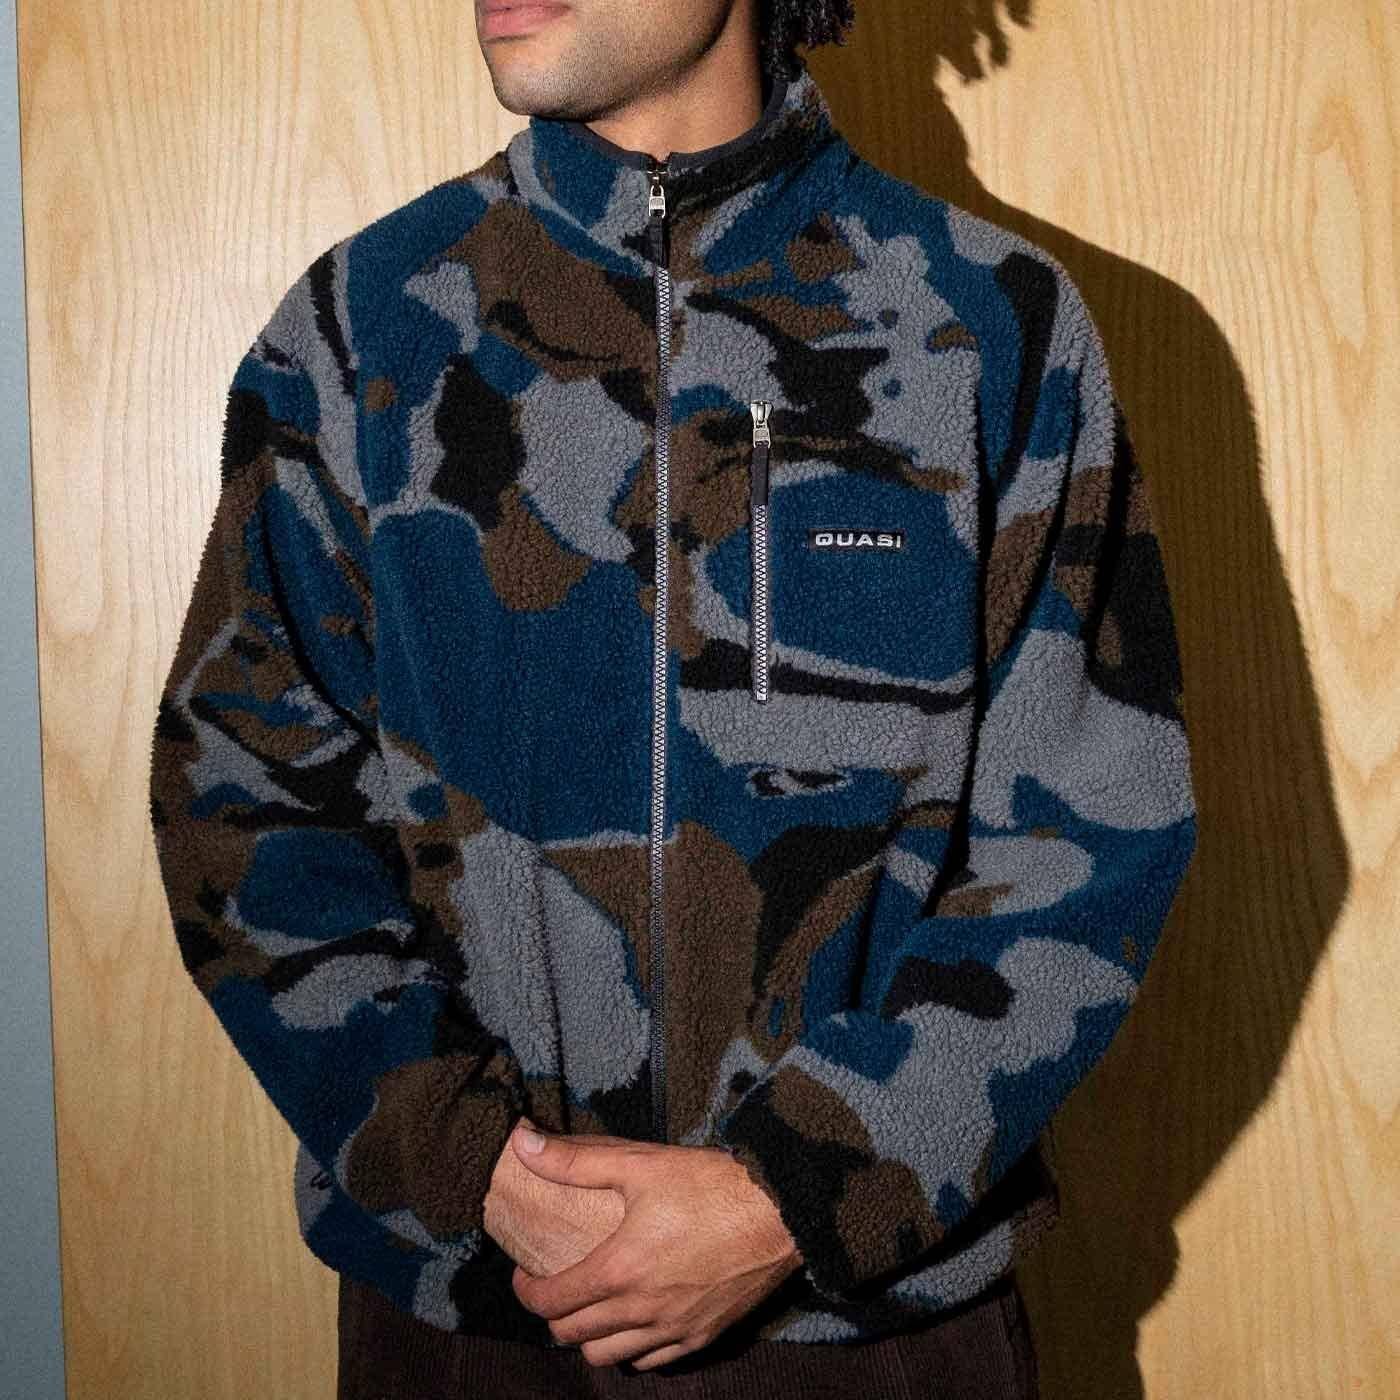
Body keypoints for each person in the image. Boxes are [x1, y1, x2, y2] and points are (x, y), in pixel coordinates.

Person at [147, 0, 1198, 1394]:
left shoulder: (993, 326)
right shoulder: (359, 330)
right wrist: (481, 1169)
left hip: (874, 1331)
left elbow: (1089, 840)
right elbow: (240, 800)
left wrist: (792, 1197)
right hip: (475, 1322)